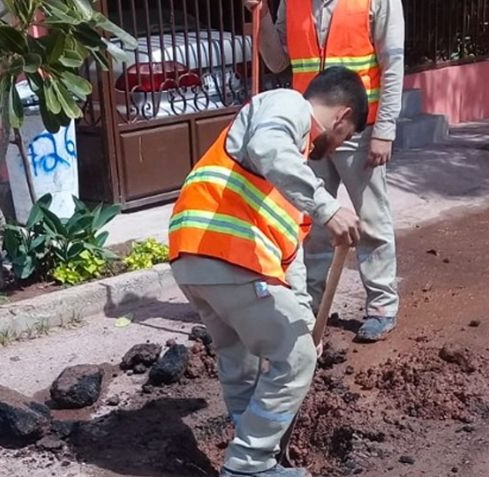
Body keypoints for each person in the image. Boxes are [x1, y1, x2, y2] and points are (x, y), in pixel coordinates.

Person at [169, 67, 367, 477]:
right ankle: (250, 465)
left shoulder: (289, 180)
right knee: (294, 360)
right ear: (342, 116)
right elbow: (267, 145)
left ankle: (255, 456)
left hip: (196, 259)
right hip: (228, 256)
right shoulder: (288, 104)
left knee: (240, 363)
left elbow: (291, 265)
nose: (335, 148)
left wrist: (305, 325)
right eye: (344, 137)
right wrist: (328, 207)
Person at [246, 0, 405, 342]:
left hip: (358, 129)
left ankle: (381, 306)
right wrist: (263, 14)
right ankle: (311, 305)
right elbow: (276, 61)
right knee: (311, 222)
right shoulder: (293, 3)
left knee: (371, 219)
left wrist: (384, 130)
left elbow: (393, 63)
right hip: (311, 129)